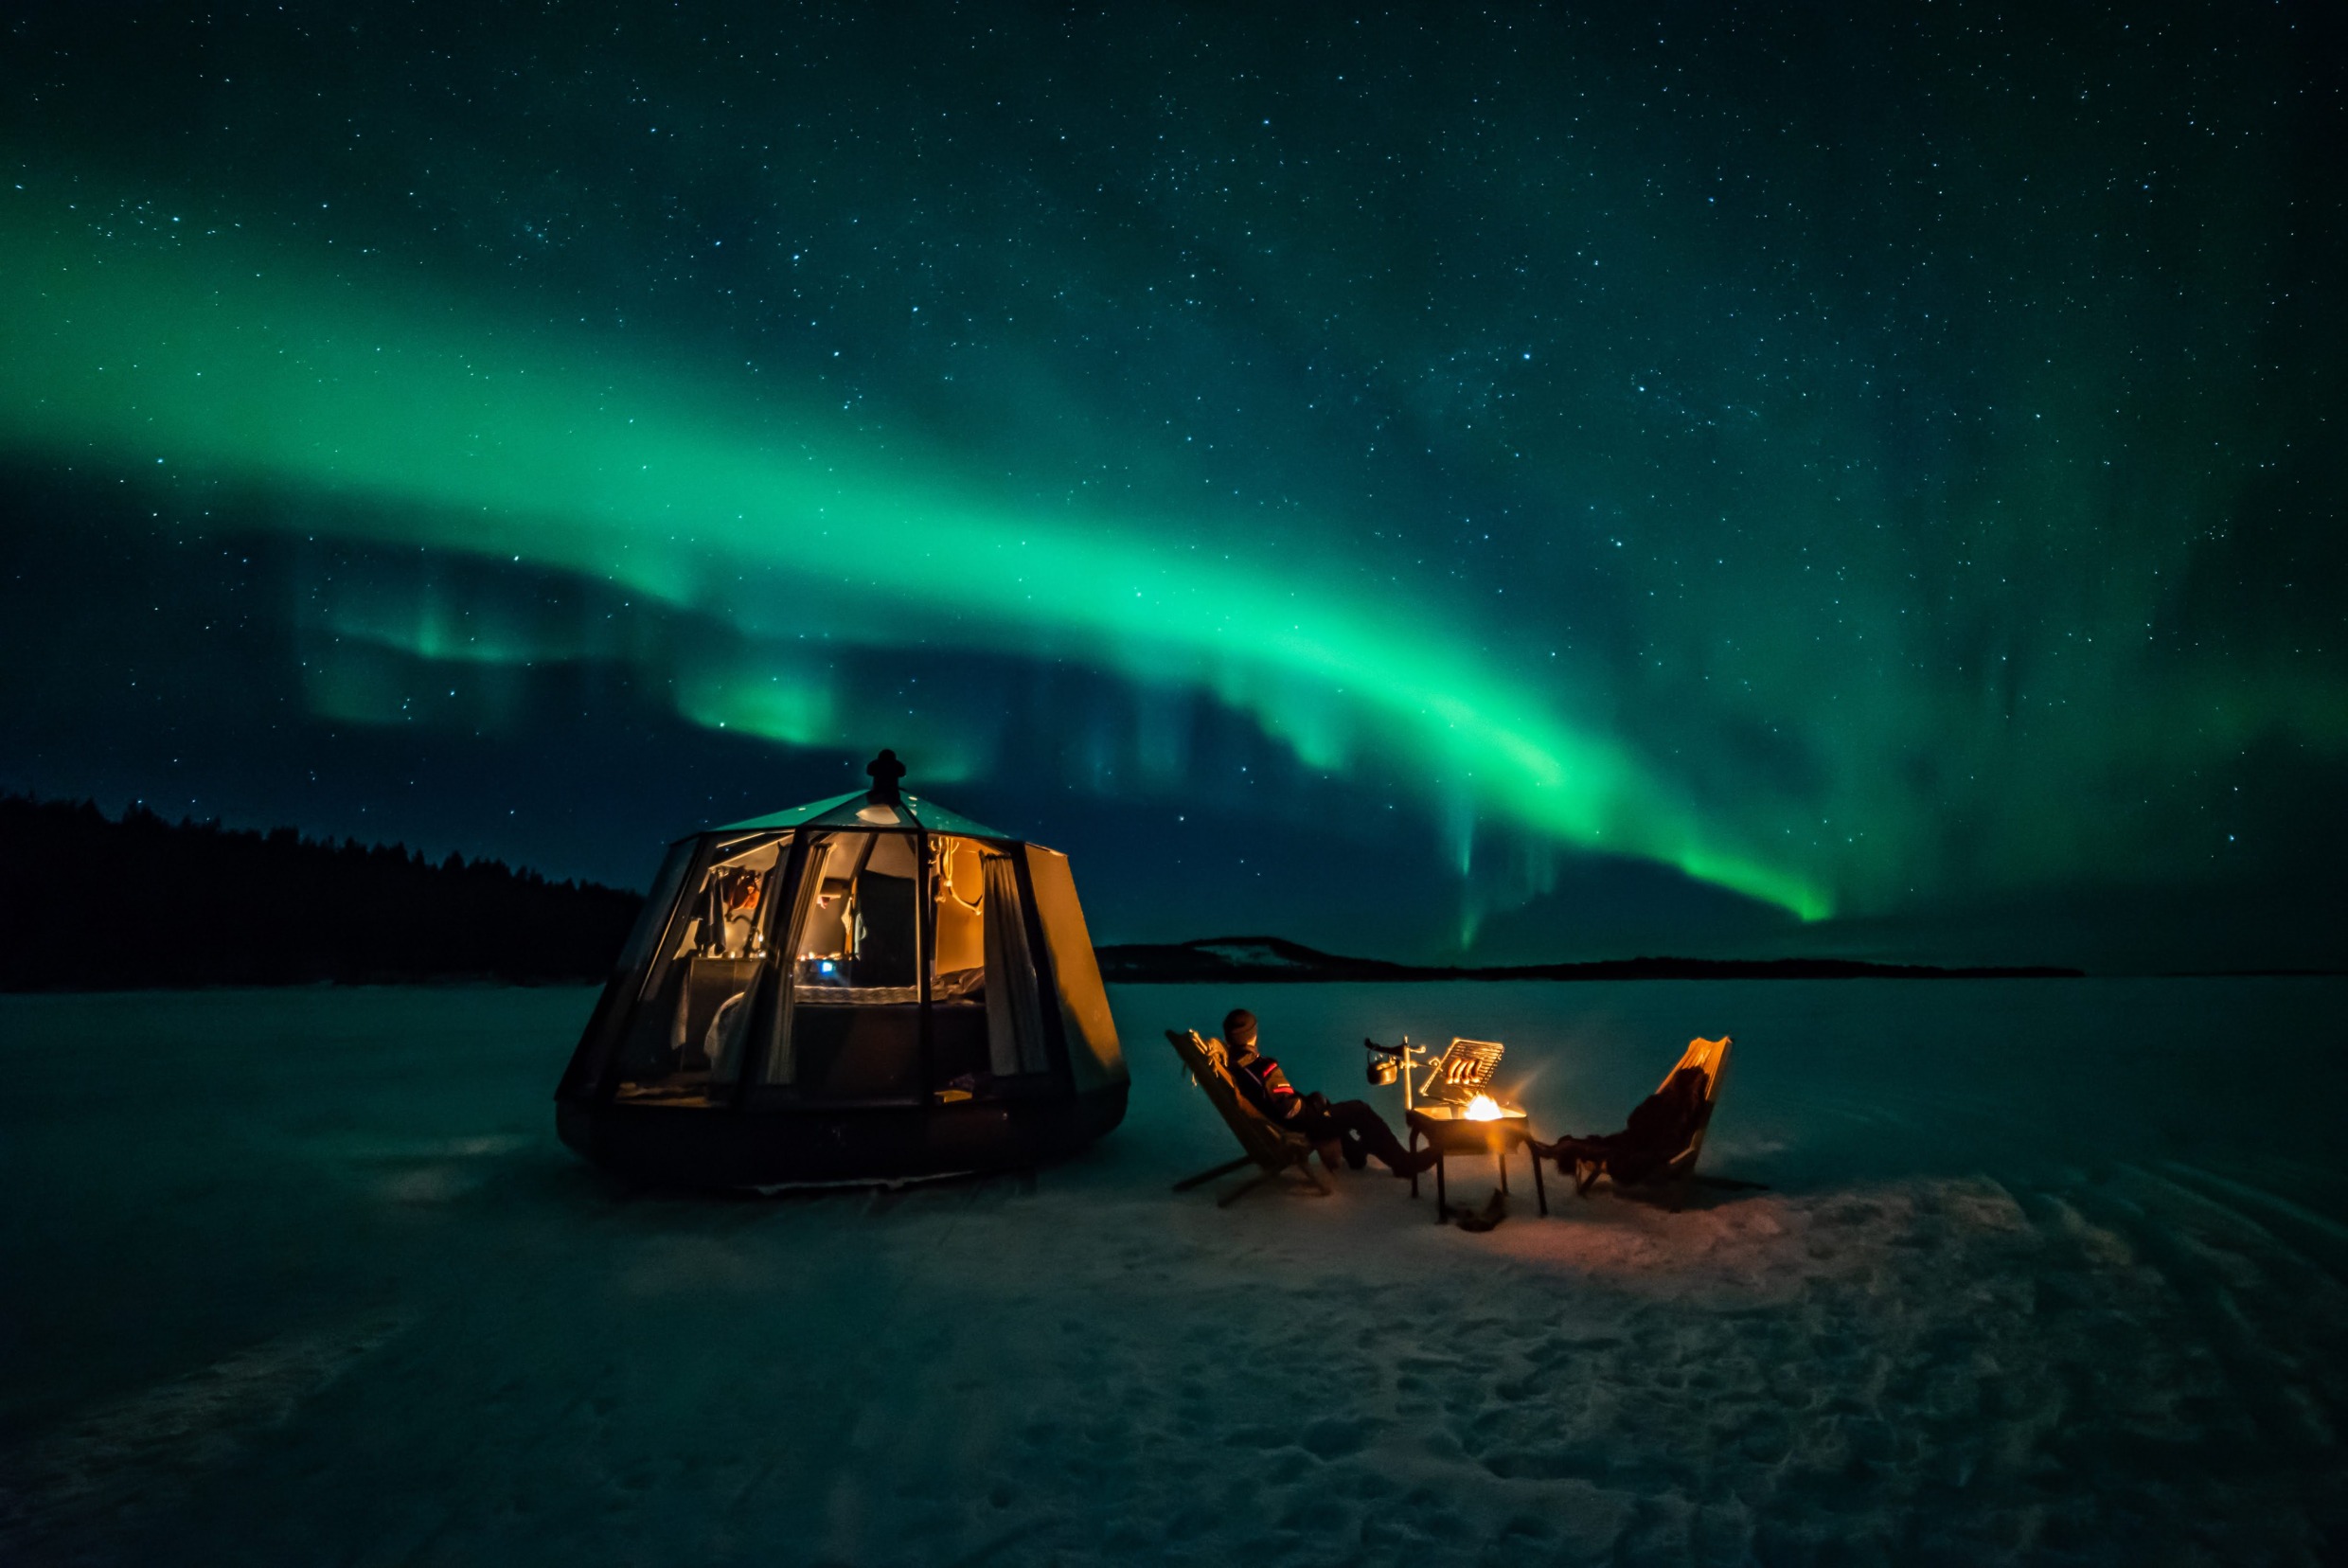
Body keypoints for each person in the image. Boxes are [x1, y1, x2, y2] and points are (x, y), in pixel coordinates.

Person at [1219, 1008, 1434, 1176]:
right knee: (1359, 1110)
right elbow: (1290, 1110)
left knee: (1327, 1104)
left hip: (1282, 1122)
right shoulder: (1261, 1069)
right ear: (1252, 1035)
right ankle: (1404, 1164)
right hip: (1301, 1126)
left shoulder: (1239, 1066)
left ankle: (1356, 1154)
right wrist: (1315, 1109)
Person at [1539, 1065, 1710, 1188]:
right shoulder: (1671, 1104)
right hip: (1638, 1140)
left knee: (1615, 1152)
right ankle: (1561, 1148)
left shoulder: (1683, 1109)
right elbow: (1638, 1121)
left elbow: (1668, 1134)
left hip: (1652, 1147)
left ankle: (1561, 1149)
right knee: (1609, 1145)